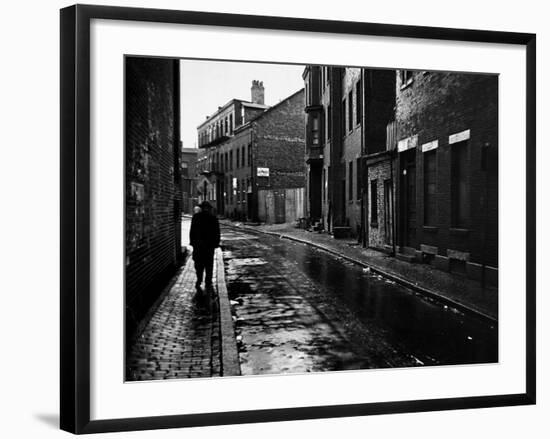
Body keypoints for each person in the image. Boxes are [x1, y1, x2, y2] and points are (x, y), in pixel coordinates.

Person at [189, 201, 220, 293]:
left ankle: (199, 280)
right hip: (209, 246)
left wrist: (193, 242)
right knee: (209, 264)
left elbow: (192, 231)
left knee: (198, 264)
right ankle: (208, 281)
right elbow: (217, 232)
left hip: (198, 246)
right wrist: (216, 243)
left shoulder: (196, 217)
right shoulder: (213, 218)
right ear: (209, 209)